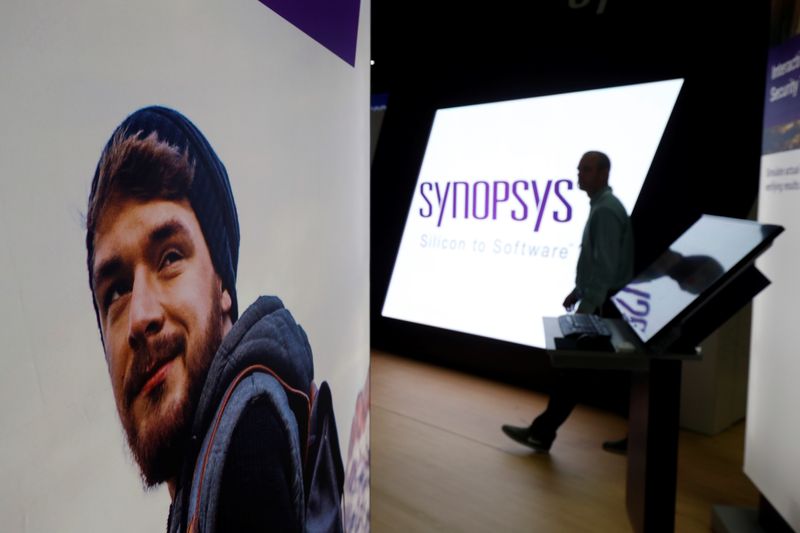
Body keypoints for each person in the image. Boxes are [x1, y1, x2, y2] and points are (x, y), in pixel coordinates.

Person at [85, 106, 343, 531]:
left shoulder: (247, 447)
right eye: (116, 290)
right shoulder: (207, 464)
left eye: (169, 257)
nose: (140, 317)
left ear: (224, 286)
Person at [502, 150, 633, 454]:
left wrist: (587, 308)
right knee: (592, 377)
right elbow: (599, 263)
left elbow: (607, 266)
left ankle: (542, 433)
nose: (580, 175)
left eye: (586, 170)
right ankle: (543, 432)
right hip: (606, 303)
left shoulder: (604, 211)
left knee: (577, 373)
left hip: (605, 306)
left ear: (603, 174)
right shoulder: (602, 206)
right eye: (579, 169)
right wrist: (578, 291)